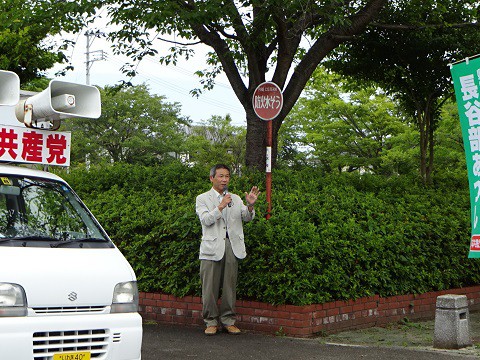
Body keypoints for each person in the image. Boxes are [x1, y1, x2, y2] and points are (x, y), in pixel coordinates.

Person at [195, 164, 260, 335]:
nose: (224, 180)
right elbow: (206, 220)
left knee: (229, 286)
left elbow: (246, 218)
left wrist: (251, 206)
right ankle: (210, 321)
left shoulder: (236, 198)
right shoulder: (202, 198)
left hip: (232, 246)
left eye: (227, 176)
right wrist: (221, 206)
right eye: (221, 176)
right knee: (209, 287)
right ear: (212, 178)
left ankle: (228, 320)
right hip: (211, 248)